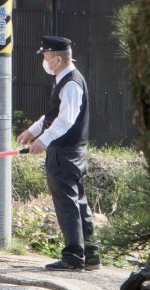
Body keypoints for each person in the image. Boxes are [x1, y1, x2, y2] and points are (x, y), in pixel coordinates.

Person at [16, 35, 99, 271]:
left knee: (67, 204)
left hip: (65, 152)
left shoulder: (71, 83)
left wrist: (43, 140)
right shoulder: (65, 79)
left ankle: (73, 257)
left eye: (46, 56)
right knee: (78, 202)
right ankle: (90, 255)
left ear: (58, 59)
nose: (44, 61)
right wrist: (33, 130)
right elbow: (53, 115)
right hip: (72, 151)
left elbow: (65, 120)